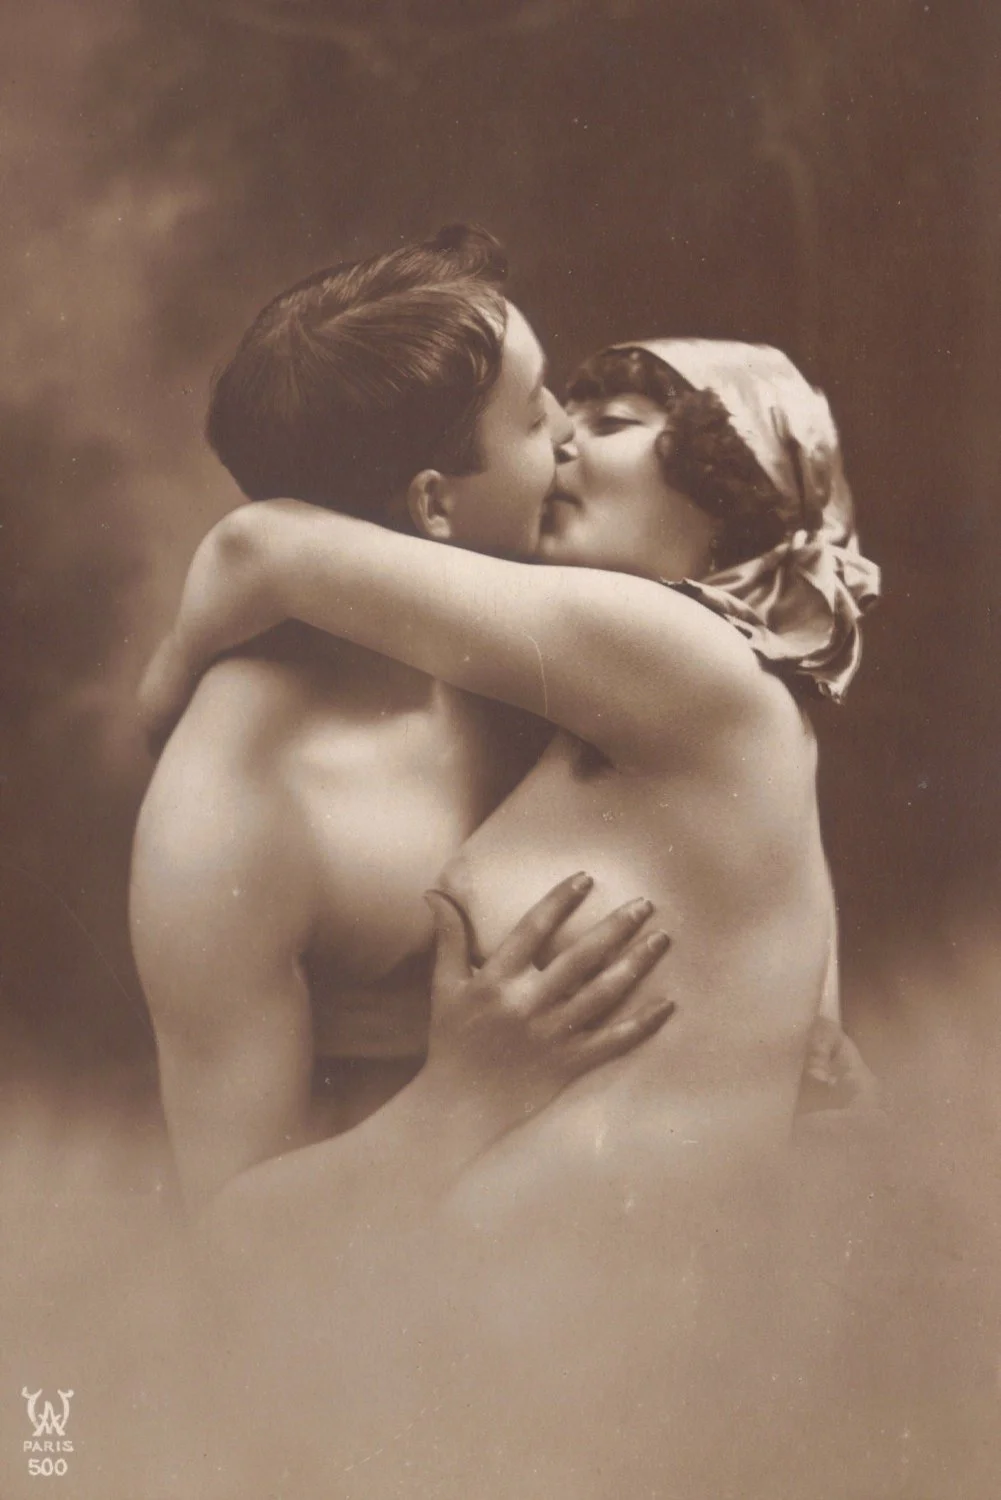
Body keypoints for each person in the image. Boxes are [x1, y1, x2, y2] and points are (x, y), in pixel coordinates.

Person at [141, 289, 880, 1218]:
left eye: (611, 423)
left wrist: (160, 697)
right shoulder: (643, 697)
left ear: (734, 485)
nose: (566, 435)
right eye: (545, 414)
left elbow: (258, 546)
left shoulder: (679, 656)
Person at [130, 226, 676, 1209]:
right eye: (532, 414)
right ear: (433, 506)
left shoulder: (544, 618)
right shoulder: (233, 803)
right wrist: (463, 1097)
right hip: (418, 1283)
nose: (570, 433)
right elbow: (226, 1238)